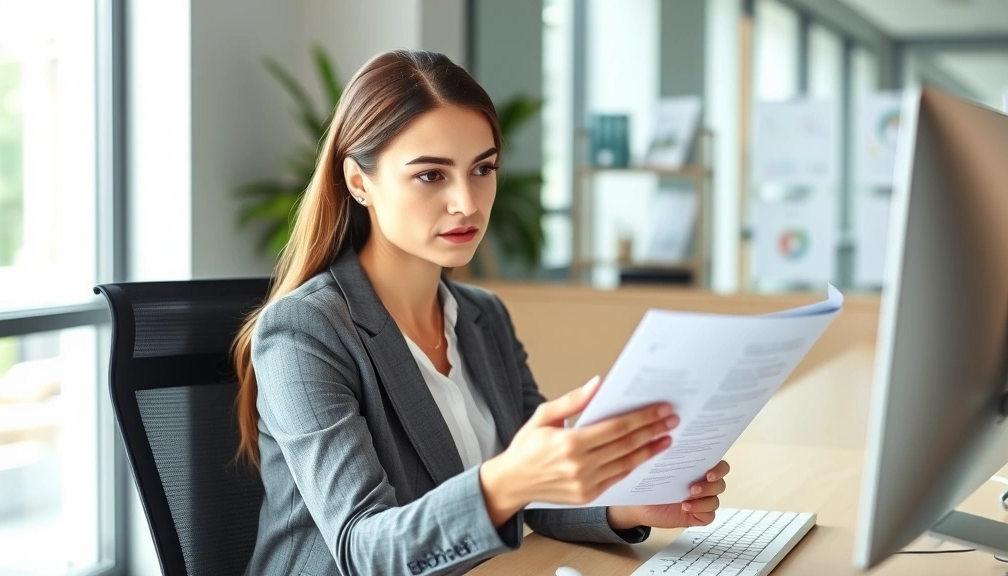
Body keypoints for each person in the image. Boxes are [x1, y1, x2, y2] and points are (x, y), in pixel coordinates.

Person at [232, 49, 730, 576]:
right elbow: (364, 551)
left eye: (483, 169)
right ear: (359, 182)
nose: (467, 203)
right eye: (430, 176)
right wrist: (509, 479)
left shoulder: (482, 316)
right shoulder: (304, 333)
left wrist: (625, 505)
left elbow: (536, 493)